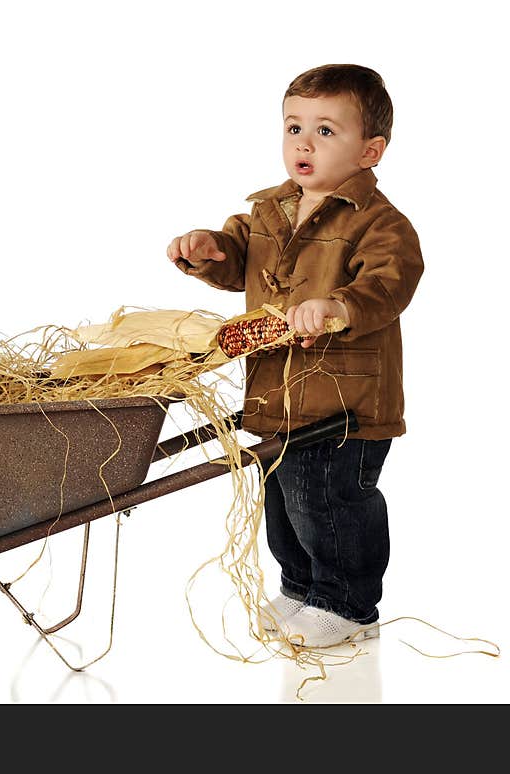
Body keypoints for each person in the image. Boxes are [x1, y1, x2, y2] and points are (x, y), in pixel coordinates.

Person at [166, 64, 424, 648]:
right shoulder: (268, 213)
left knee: (328, 503)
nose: (304, 143)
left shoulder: (380, 224)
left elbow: (391, 282)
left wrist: (337, 306)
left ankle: (348, 605)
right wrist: (210, 252)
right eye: (293, 127)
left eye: (327, 130)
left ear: (371, 150)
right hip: (274, 393)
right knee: (282, 502)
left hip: (343, 402)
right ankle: (301, 588)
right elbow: (240, 260)